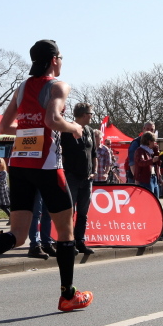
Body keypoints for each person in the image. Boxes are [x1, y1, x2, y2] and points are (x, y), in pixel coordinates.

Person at [0, 39, 93, 311]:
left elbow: (4, 126)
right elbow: (52, 120)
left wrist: (29, 129)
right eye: (61, 57)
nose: (62, 62)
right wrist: (74, 127)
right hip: (48, 166)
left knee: (18, 234)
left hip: (19, 164)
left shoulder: (22, 87)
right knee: (65, 232)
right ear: (54, 60)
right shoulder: (58, 86)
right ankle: (68, 295)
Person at [60, 102, 97, 255]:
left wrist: (94, 171)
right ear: (83, 115)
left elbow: (93, 153)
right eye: (91, 114)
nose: (92, 116)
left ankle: (80, 241)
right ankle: (69, 242)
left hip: (87, 178)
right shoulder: (67, 130)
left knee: (83, 212)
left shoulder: (90, 131)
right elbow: (62, 153)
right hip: (72, 177)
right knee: (70, 212)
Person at [134, 132, 161, 196]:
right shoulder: (140, 151)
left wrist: (157, 153)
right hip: (145, 179)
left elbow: (158, 164)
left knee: (155, 198)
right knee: (149, 197)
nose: (154, 143)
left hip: (154, 177)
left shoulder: (151, 151)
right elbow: (140, 162)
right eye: (153, 141)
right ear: (149, 141)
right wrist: (152, 160)